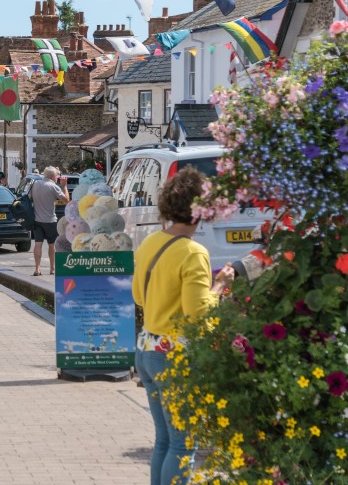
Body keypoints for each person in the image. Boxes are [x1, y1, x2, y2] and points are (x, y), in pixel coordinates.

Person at [131, 167, 234, 485]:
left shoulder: (151, 242)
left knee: (164, 441)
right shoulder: (193, 253)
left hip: (147, 349)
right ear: (201, 211)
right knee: (182, 444)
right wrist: (220, 286)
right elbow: (197, 313)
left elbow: (138, 295)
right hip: (176, 356)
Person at [29, 166, 70, 276]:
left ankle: (37, 269)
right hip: (50, 220)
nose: (57, 177)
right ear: (52, 176)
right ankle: (52, 268)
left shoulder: (35, 184)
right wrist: (64, 187)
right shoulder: (53, 186)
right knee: (51, 245)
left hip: (37, 219)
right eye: (57, 175)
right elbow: (67, 201)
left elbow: (29, 198)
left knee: (38, 243)